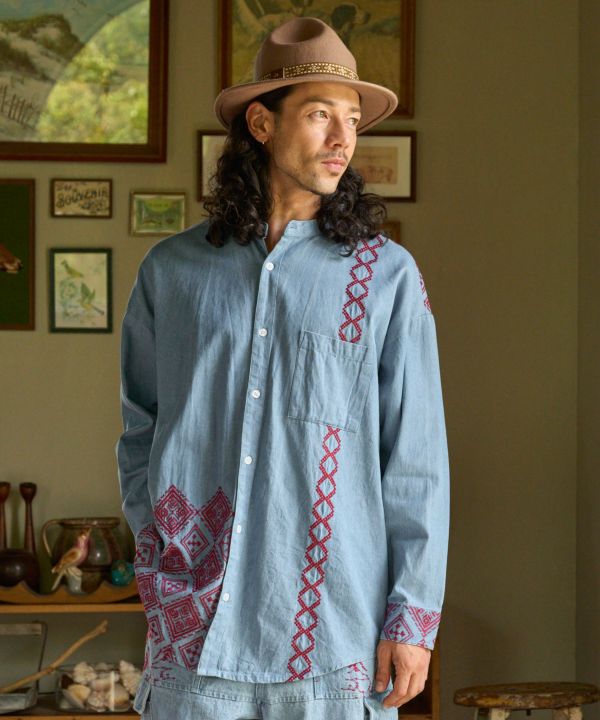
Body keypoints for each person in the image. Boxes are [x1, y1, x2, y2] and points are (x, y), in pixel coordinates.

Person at [117, 16, 450, 720]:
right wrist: (159, 556)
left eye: (352, 119)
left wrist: (412, 618)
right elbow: (140, 429)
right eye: (320, 114)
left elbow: (415, 459)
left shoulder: (386, 277)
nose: (342, 140)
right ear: (263, 124)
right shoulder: (170, 272)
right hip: (194, 634)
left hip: (335, 634)